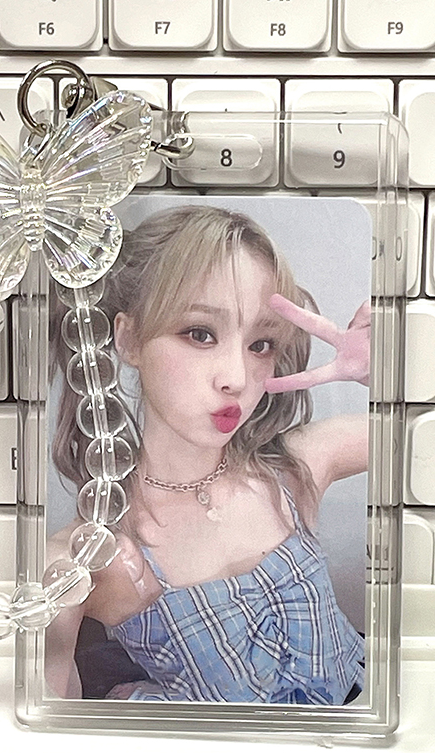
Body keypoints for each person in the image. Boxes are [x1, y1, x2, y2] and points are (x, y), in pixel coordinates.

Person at [46, 204, 369, 705]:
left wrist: (394, 375)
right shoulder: (101, 551)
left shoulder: (294, 470)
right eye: (200, 334)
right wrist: (53, 606)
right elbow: (48, 721)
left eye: (261, 344)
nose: (236, 378)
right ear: (129, 339)